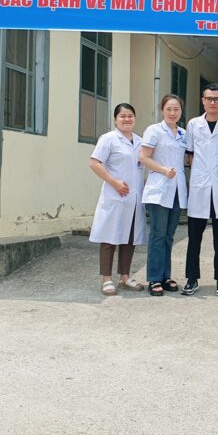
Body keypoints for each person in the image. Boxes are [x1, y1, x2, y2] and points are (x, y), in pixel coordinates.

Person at [182, 83, 218, 297]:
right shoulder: (193, 124)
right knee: (194, 238)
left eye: (216, 99)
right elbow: (190, 154)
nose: (212, 102)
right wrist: (198, 173)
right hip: (200, 185)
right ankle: (192, 278)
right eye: (209, 98)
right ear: (203, 101)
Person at [89, 103, 146, 295]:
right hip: (115, 196)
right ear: (115, 120)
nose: (127, 119)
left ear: (135, 119)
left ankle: (125, 276)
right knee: (109, 237)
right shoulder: (108, 139)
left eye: (130, 116)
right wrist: (114, 182)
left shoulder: (140, 141)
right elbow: (95, 163)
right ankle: (107, 279)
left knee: (129, 237)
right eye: (122, 116)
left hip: (134, 198)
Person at [140, 94, 188, 296]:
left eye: (176, 109)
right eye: (169, 109)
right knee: (158, 234)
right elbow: (144, 157)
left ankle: (165, 276)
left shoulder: (183, 134)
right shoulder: (154, 130)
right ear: (162, 110)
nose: (172, 113)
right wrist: (163, 170)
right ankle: (154, 278)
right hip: (159, 189)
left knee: (169, 235)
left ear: (181, 111)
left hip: (177, 189)